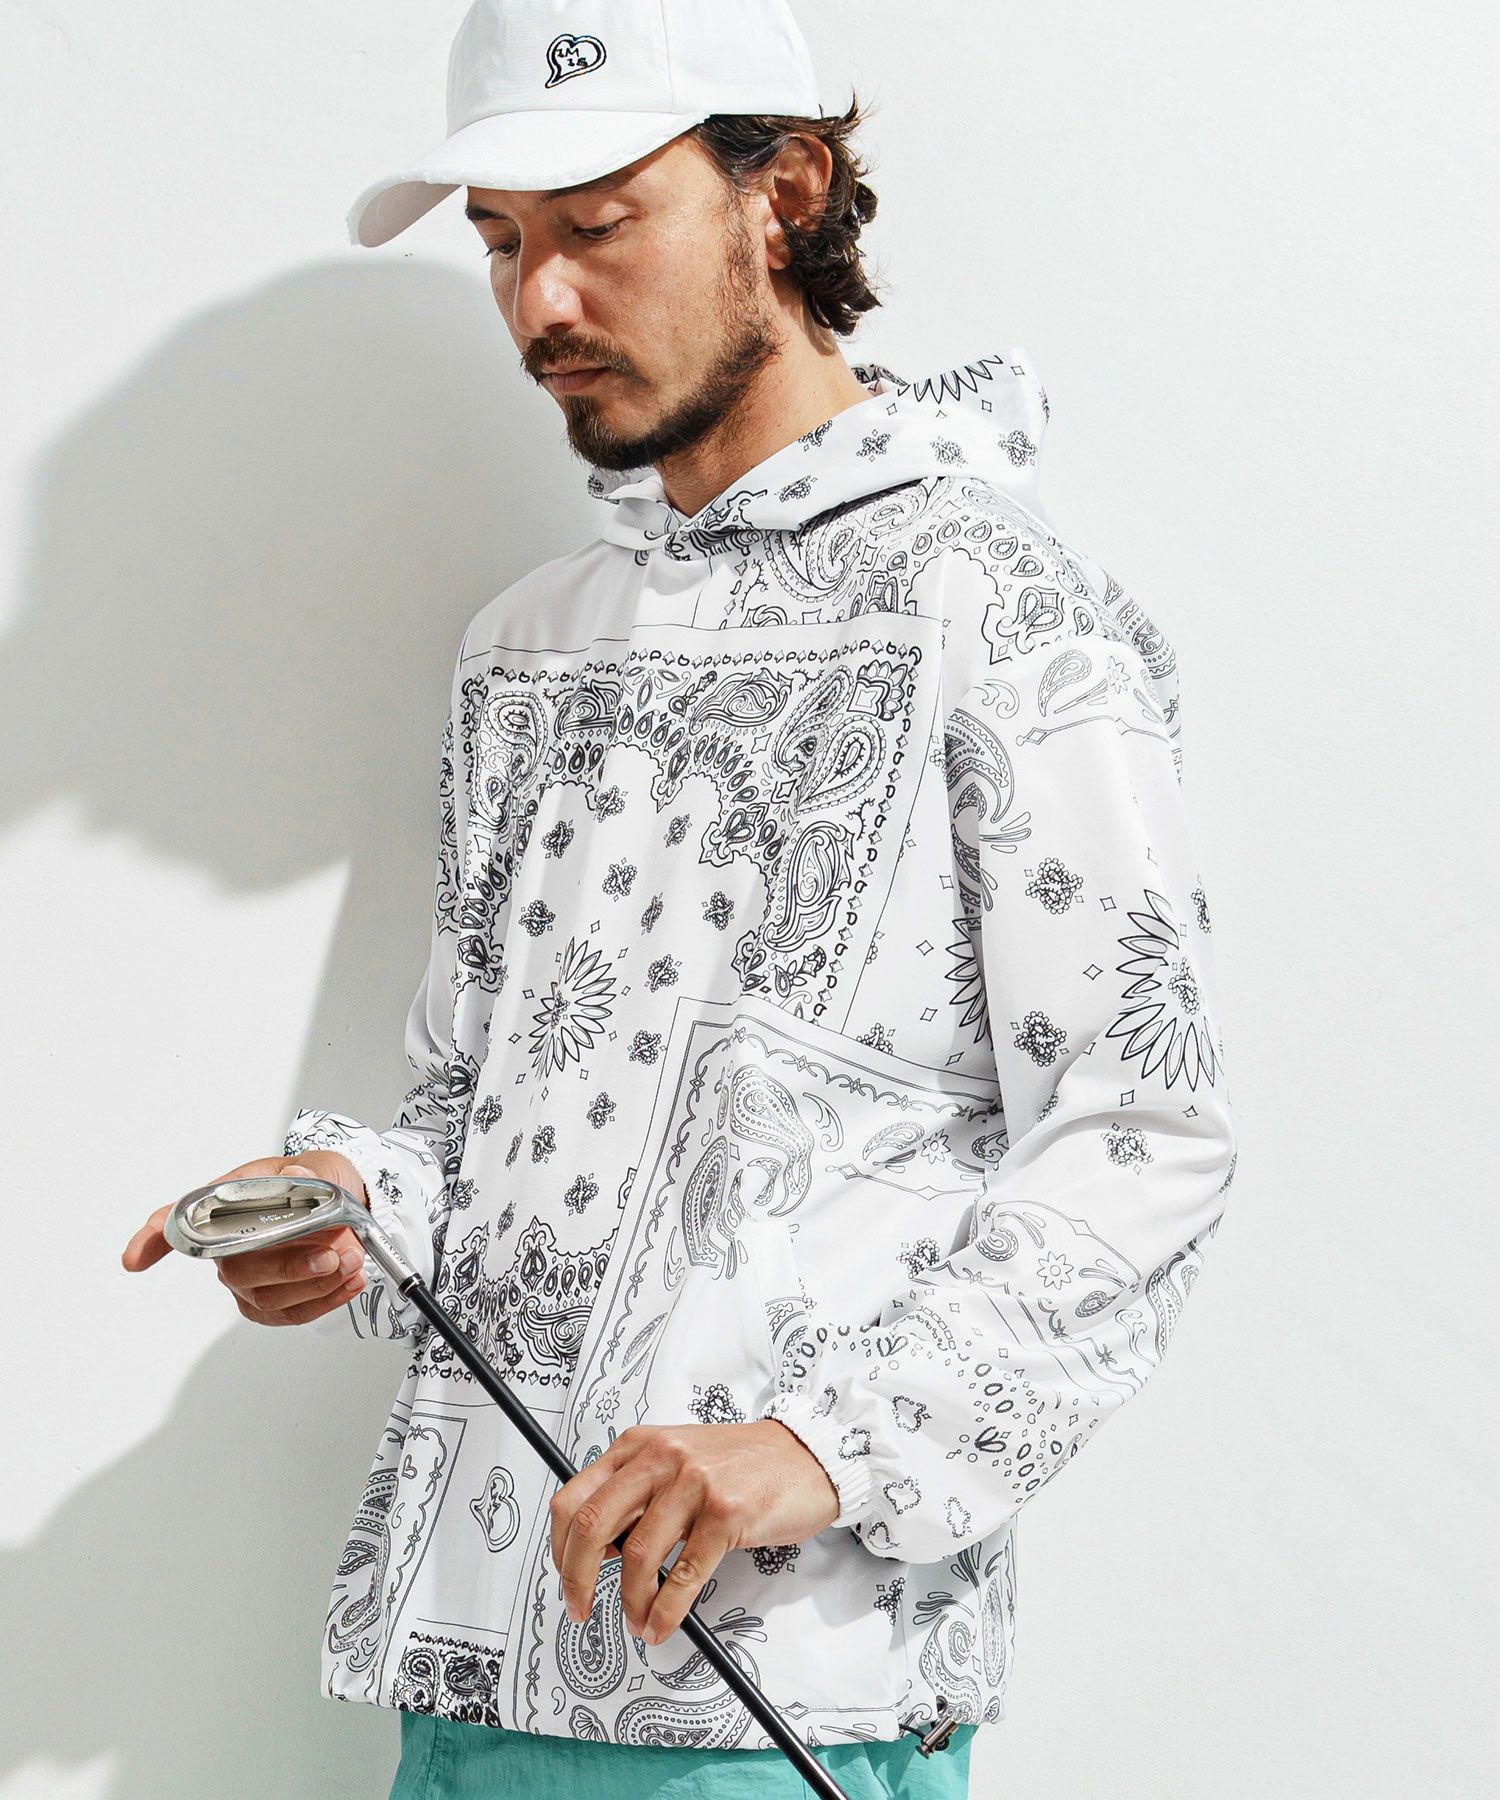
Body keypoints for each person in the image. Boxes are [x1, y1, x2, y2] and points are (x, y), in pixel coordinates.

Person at [122, 2, 1240, 1795]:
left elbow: (1142, 1133)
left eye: (597, 223)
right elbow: (473, 1113)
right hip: (474, 1662)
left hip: (778, 1695)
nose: (540, 304)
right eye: (503, 244)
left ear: (782, 194)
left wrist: (827, 1445)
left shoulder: (1003, 611)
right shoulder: (530, 646)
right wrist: (356, 1211)